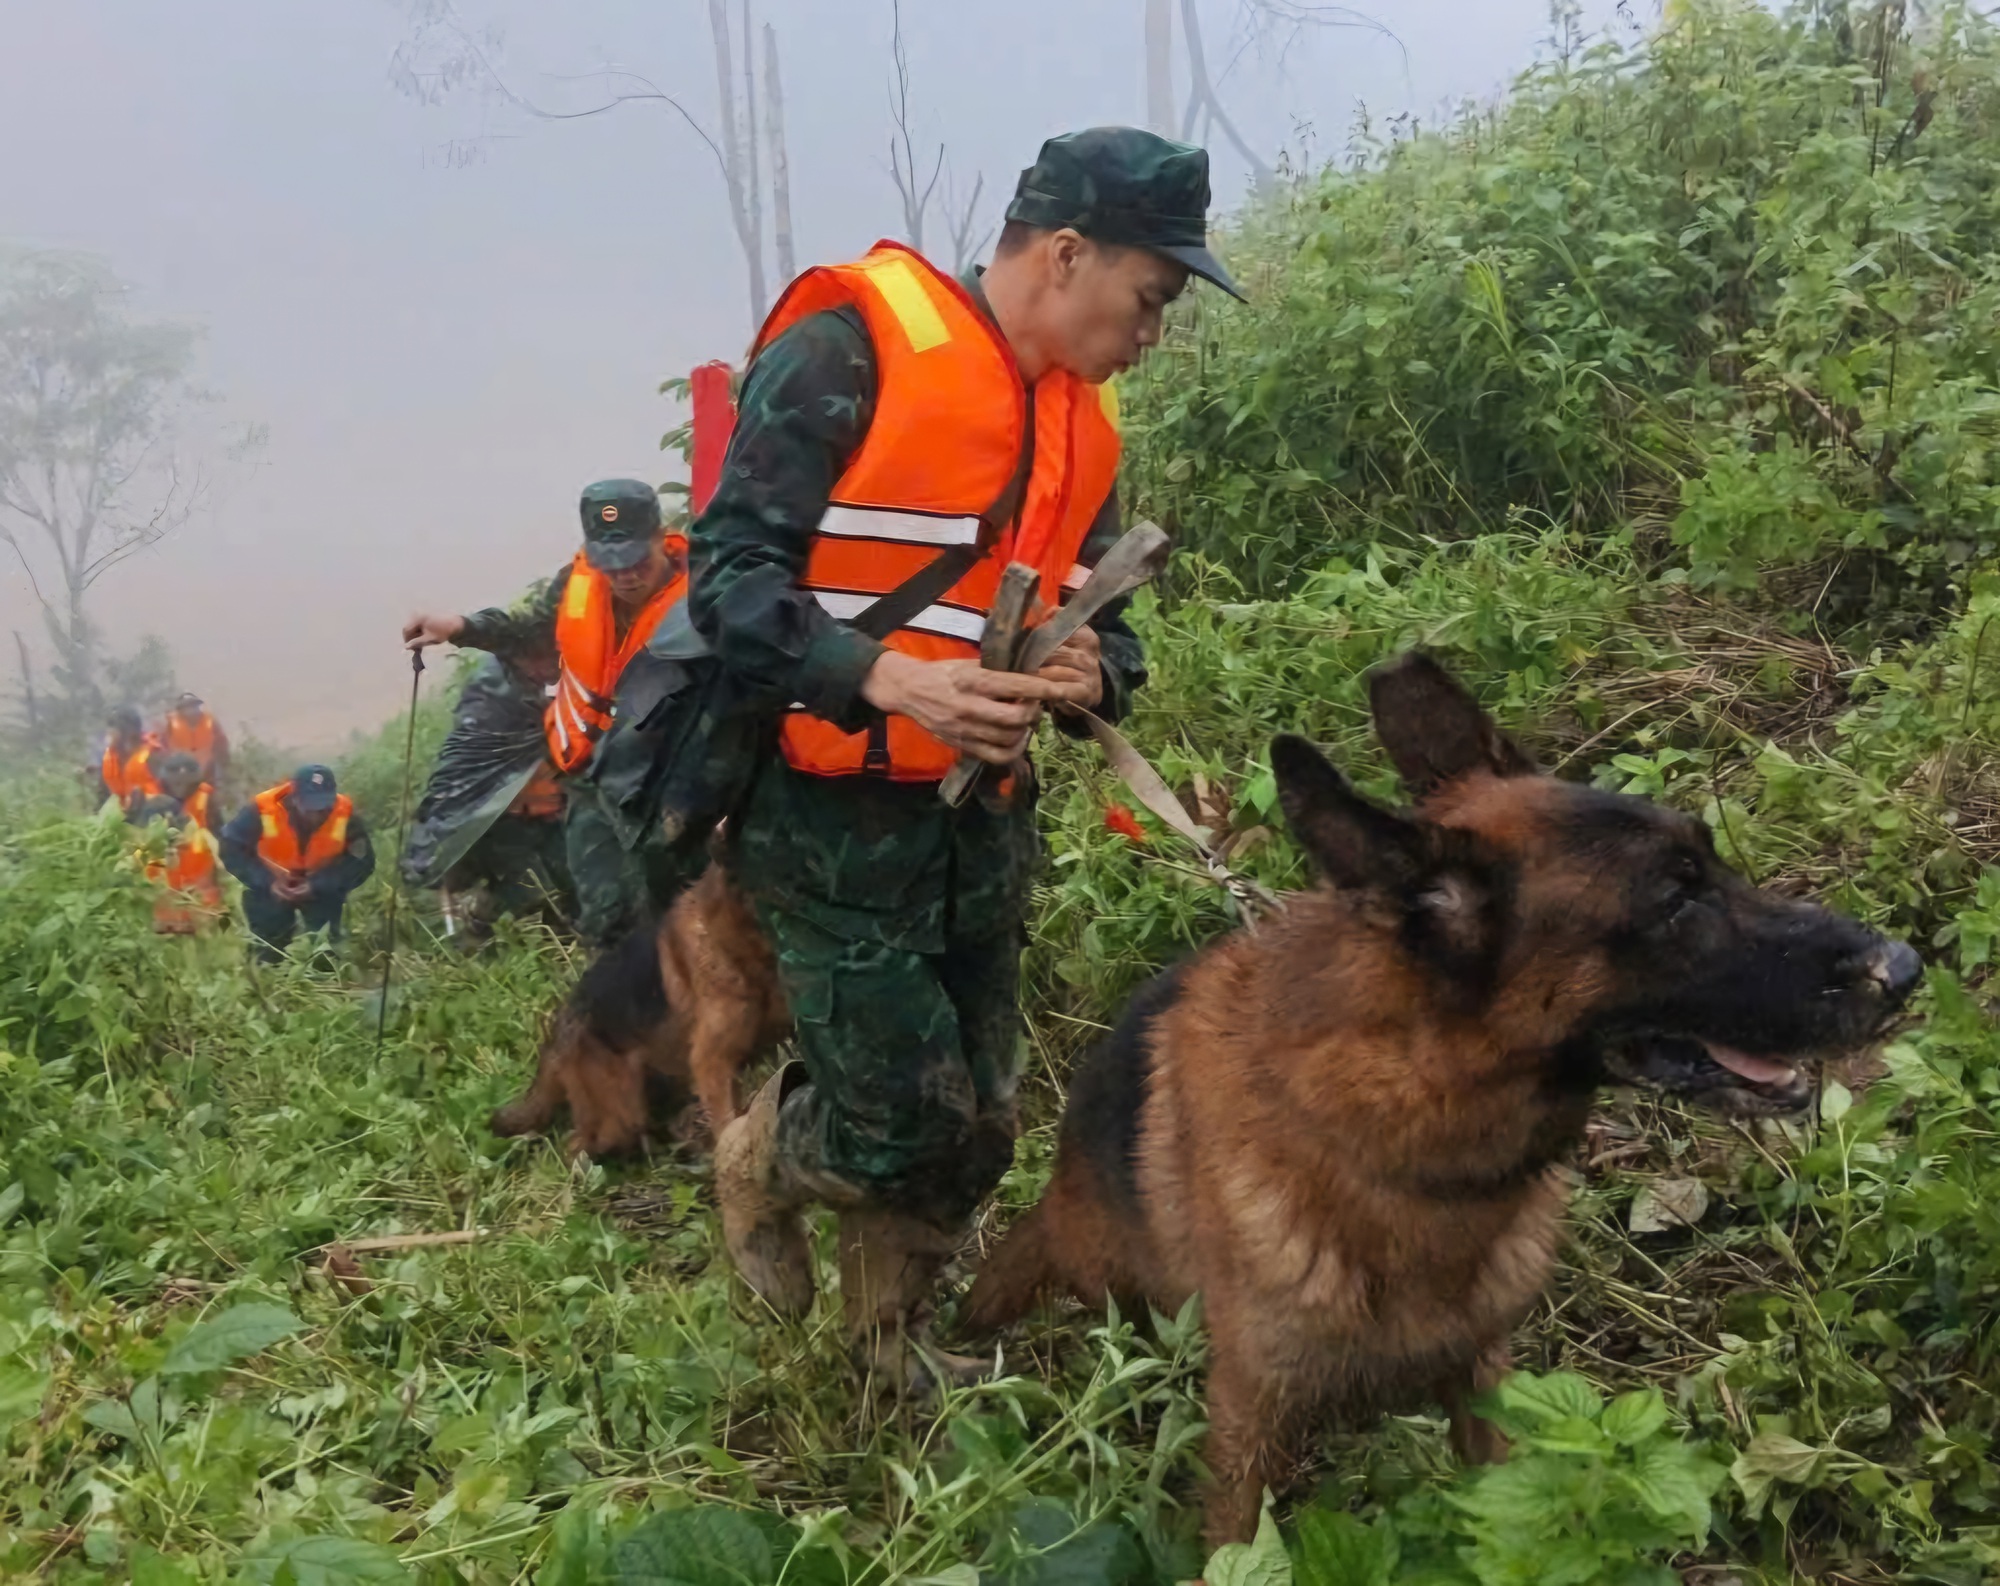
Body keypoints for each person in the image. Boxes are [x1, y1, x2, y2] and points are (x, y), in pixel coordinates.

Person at [692, 127, 1240, 1377]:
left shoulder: (1078, 431)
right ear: (1063, 252)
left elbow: (1110, 624)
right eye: (1149, 296)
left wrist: (1095, 668)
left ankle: (886, 1342)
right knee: (900, 1118)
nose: (1153, 331)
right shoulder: (847, 348)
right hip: (827, 821)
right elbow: (725, 585)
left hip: (980, 821)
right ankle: (755, 1156)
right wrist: (886, 679)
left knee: (983, 1123)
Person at [401, 480, 689, 945]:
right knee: (606, 915)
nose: (624, 576)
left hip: (670, 777)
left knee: (677, 907)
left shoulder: (707, 591)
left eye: (636, 561)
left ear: (661, 537)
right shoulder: (575, 584)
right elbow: (534, 633)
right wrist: (459, 627)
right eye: (609, 564)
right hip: (595, 777)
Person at [403, 649, 575, 942]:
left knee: (572, 881)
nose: (548, 668)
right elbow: (461, 779)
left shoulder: (564, 706)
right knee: (532, 888)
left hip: (554, 814)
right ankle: (479, 920)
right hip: (508, 824)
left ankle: (559, 940)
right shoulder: (491, 723)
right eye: (541, 659)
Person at [219, 765, 376, 962]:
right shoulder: (260, 810)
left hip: (322, 889)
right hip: (268, 887)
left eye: (323, 807)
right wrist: (266, 881)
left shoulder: (346, 816)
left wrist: (317, 884)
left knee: (325, 952)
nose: (316, 814)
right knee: (267, 952)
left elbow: (362, 862)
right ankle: (268, 981)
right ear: (294, 796)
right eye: (310, 807)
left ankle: (322, 977)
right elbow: (231, 848)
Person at [130, 751, 224, 934]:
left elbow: (221, 837)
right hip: (159, 884)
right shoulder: (144, 796)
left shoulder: (207, 797)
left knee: (200, 941)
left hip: (199, 884)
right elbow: (133, 838)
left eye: (187, 780)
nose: (180, 785)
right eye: (175, 779)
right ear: (165, 776)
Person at [97, 706, 161, 813]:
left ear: (131, 732)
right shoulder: (109, 759)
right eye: (110, 726)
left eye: (115, 726)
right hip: (121, 821)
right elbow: (102, 797)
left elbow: (171, 800)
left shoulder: (153, 757)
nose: (109, 731)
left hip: (155, 819)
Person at [162, 691, 230, 786]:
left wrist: (223, 768)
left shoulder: (210, 721)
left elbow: (222, 745)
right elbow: (162, 747)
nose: (192, 710)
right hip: (180, 774)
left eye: (194, 705)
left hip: (207, 773)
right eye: (187, 706)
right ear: (180, 709)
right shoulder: (171, 724)